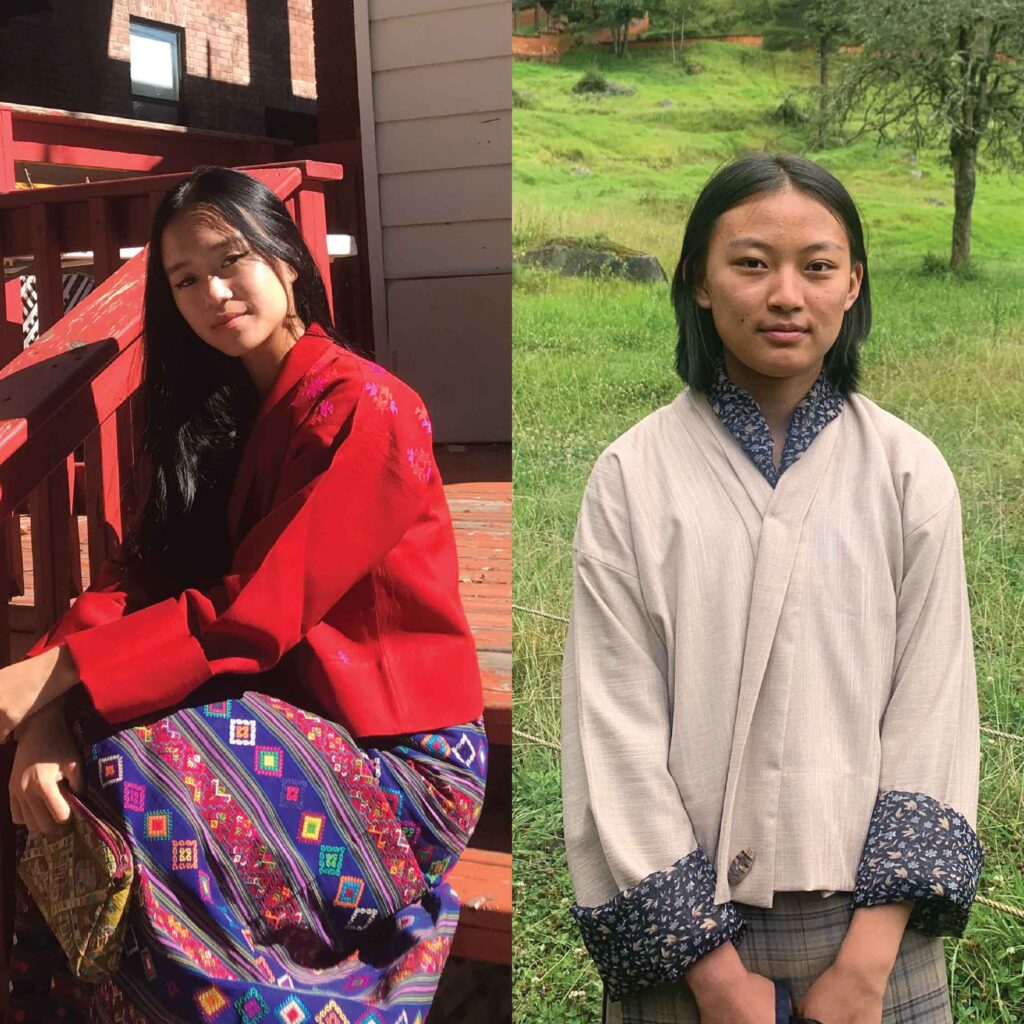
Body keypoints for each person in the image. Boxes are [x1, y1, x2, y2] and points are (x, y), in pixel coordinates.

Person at [1, 165, 486, 1023]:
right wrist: (45, 706)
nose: (213, 292)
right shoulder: (221, 413)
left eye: (231, 260)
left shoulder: (368, 408)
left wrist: (53, 678)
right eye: (185, 280)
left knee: (129, 777)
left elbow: (251, 611)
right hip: (281, 713)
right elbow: (142, 575)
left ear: (287, 259)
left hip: (402, 755)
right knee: (60, 772)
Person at [561, 153, 982, 1024]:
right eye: (751, 264)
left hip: (873, 937)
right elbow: (614, 727)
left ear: (853, 284)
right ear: (700, 283)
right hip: (685, 943)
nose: (786, 294)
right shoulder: (631, 477)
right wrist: (716, 981)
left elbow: (934, 709)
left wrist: (866, 965)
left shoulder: (909, 473)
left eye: (817, 267)